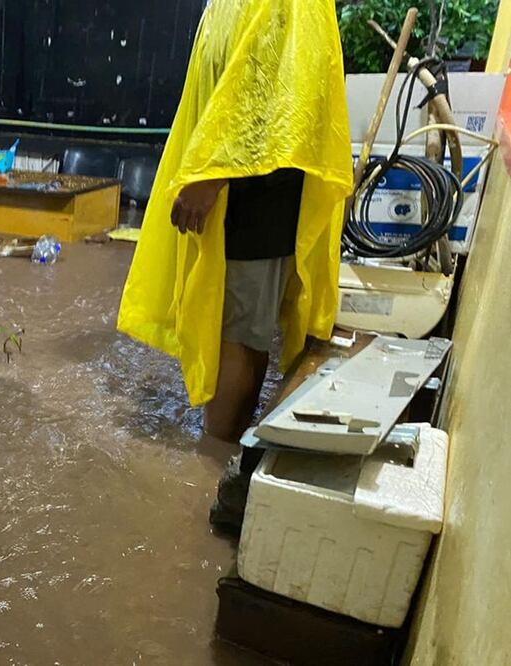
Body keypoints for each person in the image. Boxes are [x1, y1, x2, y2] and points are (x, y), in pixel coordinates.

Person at [117, 0, 353, 532]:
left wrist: (211, 175)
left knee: (241, 332)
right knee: (229, 321)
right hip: (235, 181)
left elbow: (276, 86)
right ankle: (221, 453)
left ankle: (213, 468)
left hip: (258, 187)